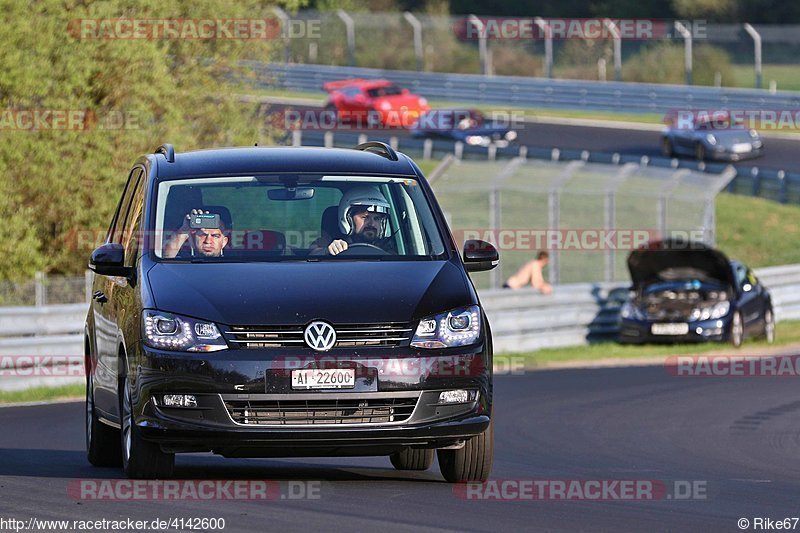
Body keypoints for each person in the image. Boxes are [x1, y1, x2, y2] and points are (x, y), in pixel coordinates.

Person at [312, 185, 396, 255]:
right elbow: (313, 255)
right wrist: (329, 250)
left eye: (376, 218)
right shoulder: (329, 241)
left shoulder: (390, 249)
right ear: (347, 218)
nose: (372, 224)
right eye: (365, 217)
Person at [163, 208, 229, 258]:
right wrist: (184, 231)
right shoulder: (181, 263)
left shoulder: (235, 263)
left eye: (215, 236)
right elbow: (165, 259)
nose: (208, 241)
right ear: (192, 239)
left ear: (224, 242)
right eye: (203, 235)